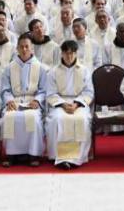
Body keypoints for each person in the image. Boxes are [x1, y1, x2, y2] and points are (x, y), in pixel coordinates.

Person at [44, 39, 94, 169]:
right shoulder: (53, 71)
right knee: (57, 119)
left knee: (81, 119)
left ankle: (77, 157)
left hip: (79, 103)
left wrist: (77, 104)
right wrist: (63, 105)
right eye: (66, 53)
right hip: (60, 103)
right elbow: (50, 93)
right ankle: (59, 157)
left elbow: (89, 92)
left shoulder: (84, 70)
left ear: (76, 54)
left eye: (72, 53)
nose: (69, 56)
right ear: (61, 54)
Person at [0, 34, 47, 167]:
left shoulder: (41, 68)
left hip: (32, 101)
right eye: (21, 47)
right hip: (14, 101)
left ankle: (33, 154)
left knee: (33, 118)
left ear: (32, 48)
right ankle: (11, 154)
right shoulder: (9, 68)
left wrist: (37, 101)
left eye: (27, 46)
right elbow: (5, 89)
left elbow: (44, 90)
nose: (24, 49)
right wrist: (9, 100)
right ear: (17, 48)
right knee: (9, 118)